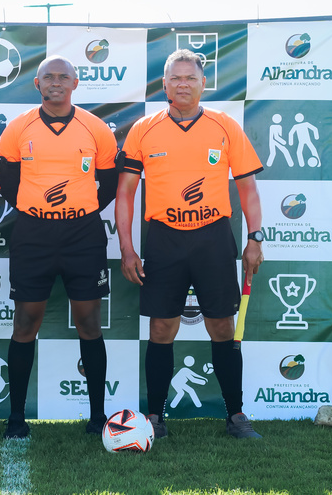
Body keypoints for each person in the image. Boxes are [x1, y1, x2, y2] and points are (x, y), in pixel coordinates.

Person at [115, 49, 265, 439]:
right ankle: (155, 417)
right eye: (176, 78)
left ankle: (236, 415)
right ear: (164, 84)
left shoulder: (224, 126)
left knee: (222, 326)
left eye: (190, 78)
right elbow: (125, 192)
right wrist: (127, 248)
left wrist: (254, 238)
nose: (183, 84)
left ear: (203, 83)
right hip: (164, 239)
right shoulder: (143, 130)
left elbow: (248, 189)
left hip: (213, 238)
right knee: (162, 328)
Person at [0, 55, 119, 438]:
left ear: (75, 83)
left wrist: (79, 210)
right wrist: (37, 210)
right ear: (37, 84)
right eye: (48, 77)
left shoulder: (96, 128)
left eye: (63, 77)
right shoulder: (17, 128)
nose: (55, 82)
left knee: (89, 322)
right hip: (33, 234)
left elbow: (109, 184)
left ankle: (97, 417)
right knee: (25, 322)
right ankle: (16, 418)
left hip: (83, 234)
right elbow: (8, 183)